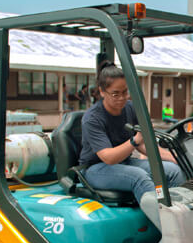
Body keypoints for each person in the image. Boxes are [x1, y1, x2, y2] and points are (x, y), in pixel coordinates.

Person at [78, 61, 185, 211]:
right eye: (115, 94)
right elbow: (108, 157)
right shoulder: (93, 118)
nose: (121, 98)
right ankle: (165, 223)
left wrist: (175, 158)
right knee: (138, 176)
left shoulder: (130, 108)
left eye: (125, 92)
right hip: (95, 169)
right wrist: (134, 140)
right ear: (102, 91)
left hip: (124, 163)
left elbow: (143, 144)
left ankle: (179, 214)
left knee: (174, 171)